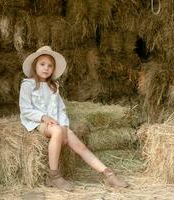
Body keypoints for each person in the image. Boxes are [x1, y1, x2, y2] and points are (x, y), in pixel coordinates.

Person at [19, 46, 129, 191]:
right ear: (35, 66)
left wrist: (64, 126)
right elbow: (25, 109)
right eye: (42, 64)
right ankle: (54, 176)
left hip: (57, 123)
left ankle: (108, 174)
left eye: (50, 65)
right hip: (37, 121)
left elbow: (61, 110)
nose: (46, 68)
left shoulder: (53, 87)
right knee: (57, 131)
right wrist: (43, 117)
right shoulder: (28, 85)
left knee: (80, 146)